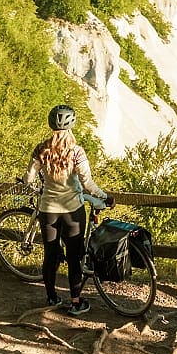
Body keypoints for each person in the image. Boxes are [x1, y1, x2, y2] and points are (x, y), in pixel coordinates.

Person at [24, 104, 113, 316]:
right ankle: (76, 302)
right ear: (72, 125)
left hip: (48, 210)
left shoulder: (41, 149)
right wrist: (104, 196)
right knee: (74, 257)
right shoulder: (77, 152)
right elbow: (87, 183)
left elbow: (28, 178)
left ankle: (52, 297)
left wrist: (38, 188)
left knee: (50, 255)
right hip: (73, 211)